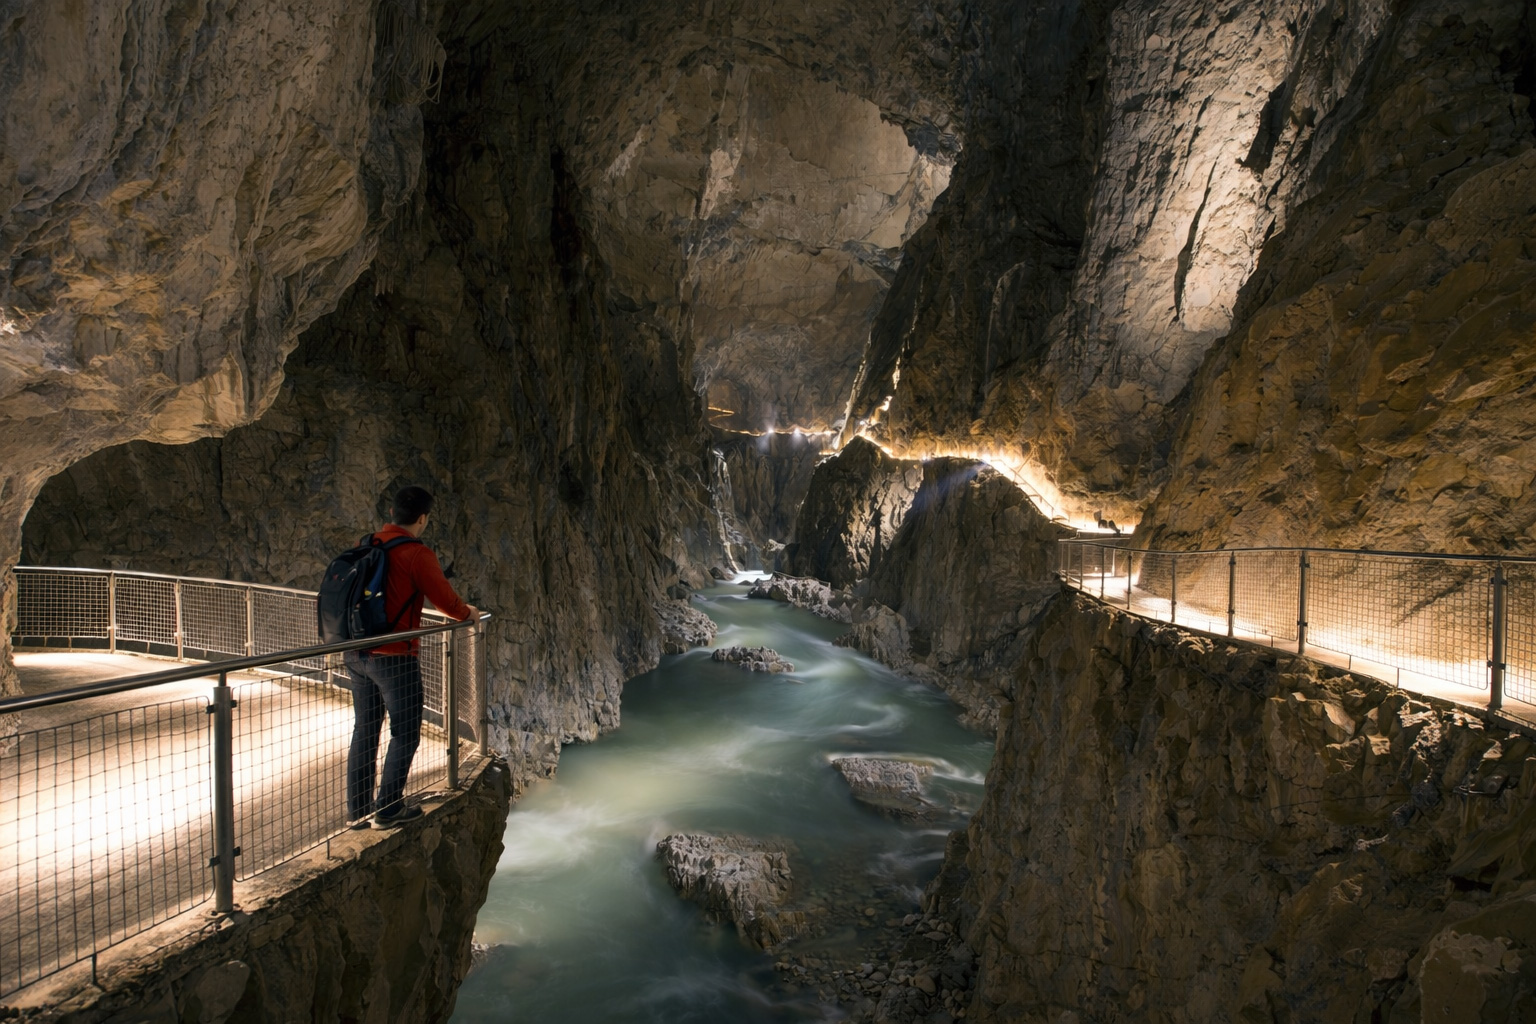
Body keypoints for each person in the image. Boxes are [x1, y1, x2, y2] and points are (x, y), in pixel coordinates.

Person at [345, 485, 479, 828]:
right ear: (423, 518)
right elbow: (447, 604)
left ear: (392, 514)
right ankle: (388, 809)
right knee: (405, 732)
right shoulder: (417, 554)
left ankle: (360, 812)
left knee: (366, 728)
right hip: (394, 656)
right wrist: (469, 614)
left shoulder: (368, 544)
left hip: (356, 652)